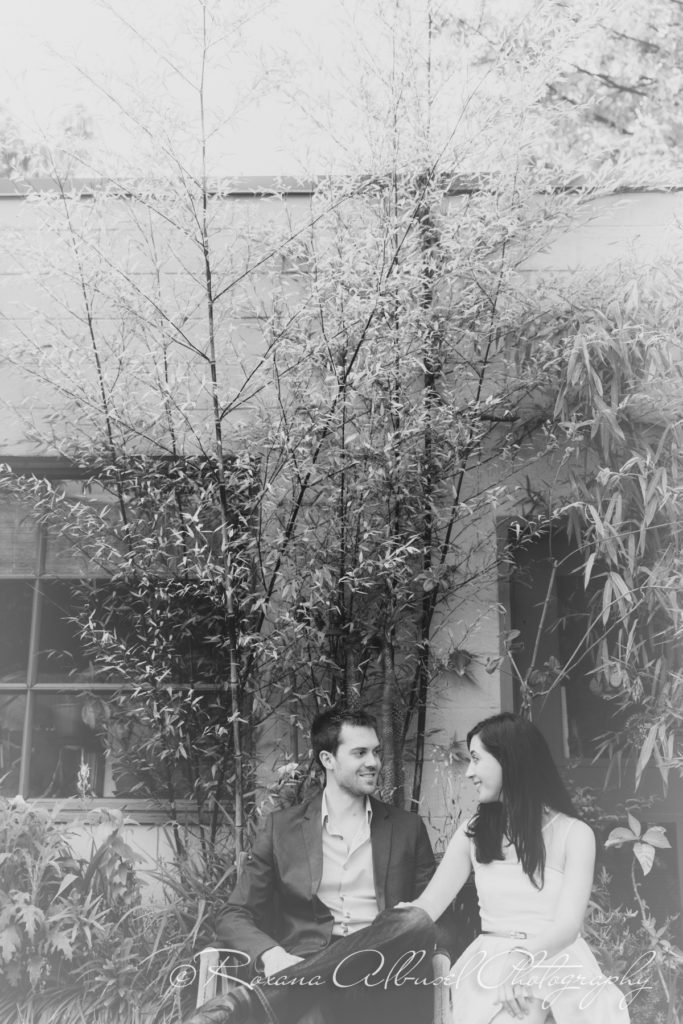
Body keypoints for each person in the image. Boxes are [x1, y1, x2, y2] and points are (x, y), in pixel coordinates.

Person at [184, 705, 443, 1024]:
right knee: (318, 1008)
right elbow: (234, 913)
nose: (374, 762)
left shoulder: (407, 828)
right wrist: (271, 955)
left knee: (416, 919)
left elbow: (439, 921)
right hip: (307, 966)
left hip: (383, 973)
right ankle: (297, 987)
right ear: (327, 759)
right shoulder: (283, 829)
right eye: (360, 753)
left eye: (376, 752)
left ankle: (253, 1001)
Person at [403, 712, 630, 1023]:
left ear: (508, 760)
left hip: (555, 957)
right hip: (490, 962)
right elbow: (429, 904)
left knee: (532, 1001)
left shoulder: (575, 834)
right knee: (519, 1008)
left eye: (476, 759)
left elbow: (568, 925)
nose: (469, 772)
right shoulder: (472, 832)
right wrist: (391, 924)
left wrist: (521, 957)